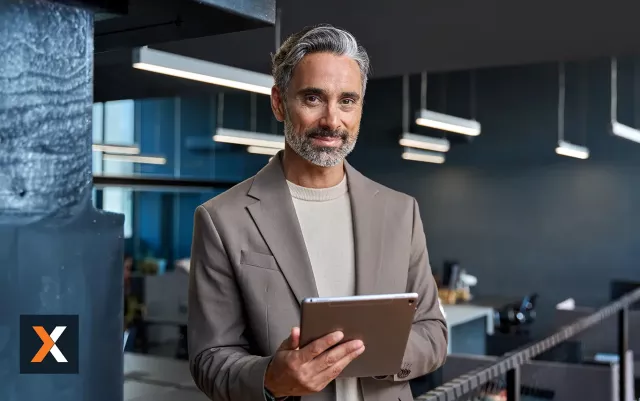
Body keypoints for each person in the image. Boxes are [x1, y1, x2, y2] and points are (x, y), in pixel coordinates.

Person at [188, 24, 448, 401]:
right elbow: (209, 358)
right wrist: (270, 378)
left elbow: (434, 333)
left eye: (347, 101)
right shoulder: (222, 218)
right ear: (279, 102)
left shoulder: (400, 212)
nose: (332, 120)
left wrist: (370, 351)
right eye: (313, 99)